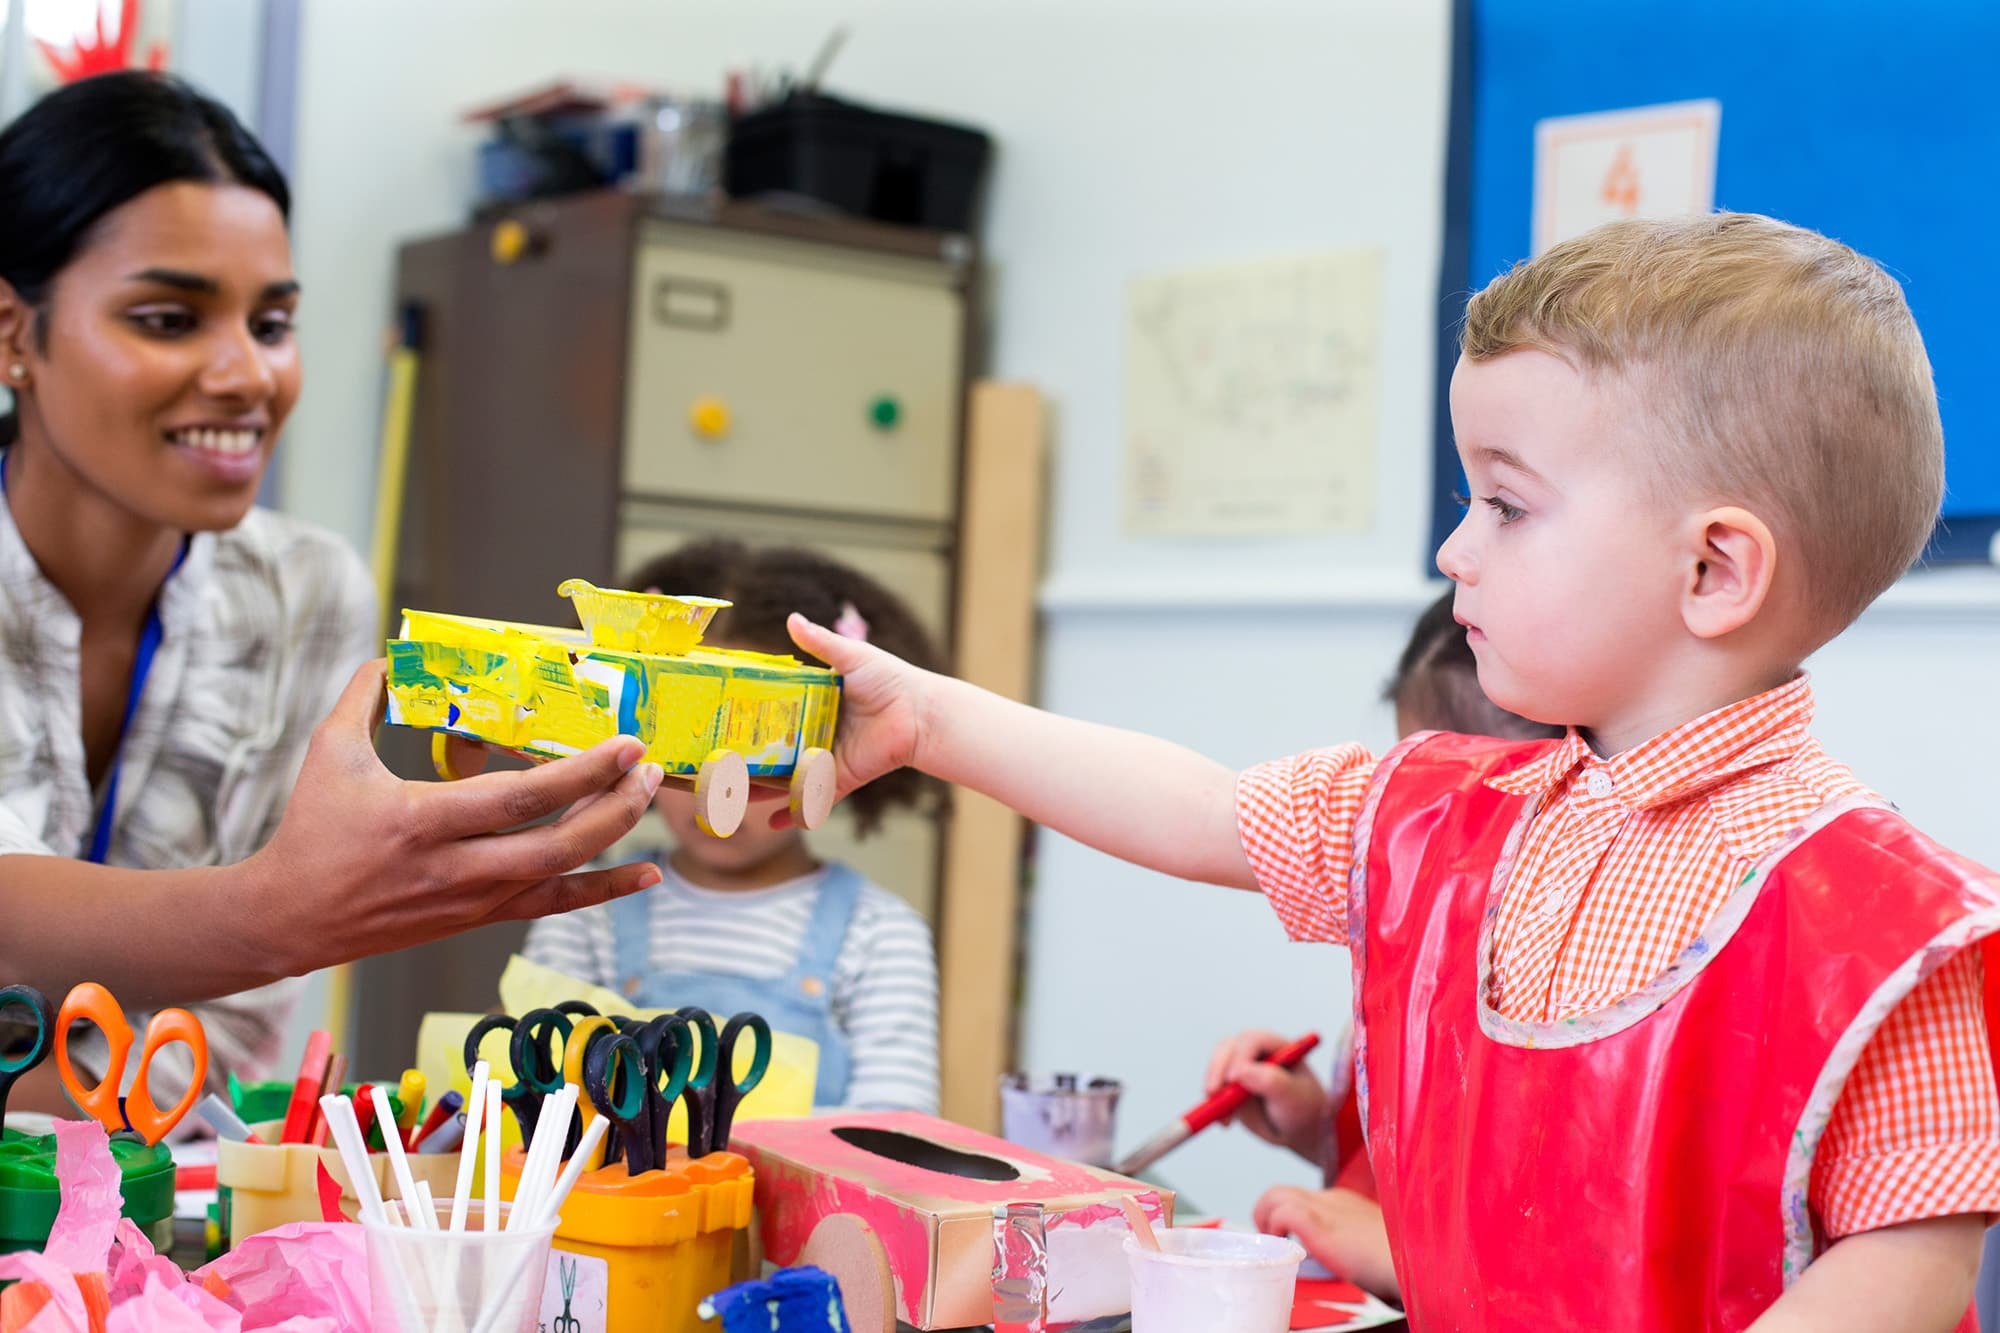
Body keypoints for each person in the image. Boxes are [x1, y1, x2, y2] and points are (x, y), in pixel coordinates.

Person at [784, 214, 2000, 1329]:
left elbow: (1914, 1264)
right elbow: (1200, 807)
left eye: (1507, 508)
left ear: (1712, 571)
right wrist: (930, 722)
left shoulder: (1894, 937)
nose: (1452, 548)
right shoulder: (1439, 812)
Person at [0, 72, 661, 1106]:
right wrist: (274, 913)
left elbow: (212, 1034)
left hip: (130, 1183)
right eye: (169, 319)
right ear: (12, 335)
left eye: (270, 325)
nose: (246, 375)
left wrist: (75, 1189)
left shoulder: (304, 591)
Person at [1204, 589, 1561, 1297]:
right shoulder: (1415, 958)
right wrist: (1315, 1122)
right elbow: (1411, 1157)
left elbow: (1569, 1265)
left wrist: (1400, 1257)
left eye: (1432, 811)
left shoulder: (1564, 1004)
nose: (1406, 835)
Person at [527, 539, 944, 1111]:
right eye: (686, 750)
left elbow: (895, 1129)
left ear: (837, 745)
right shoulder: (583, 908)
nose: (714, 792)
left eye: (757, 757)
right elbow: (534, 1088)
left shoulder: (878, 936)